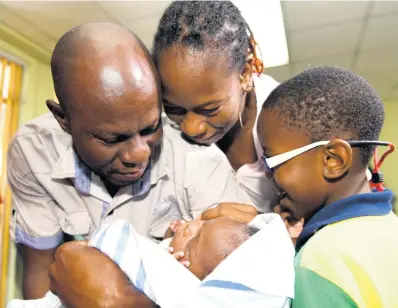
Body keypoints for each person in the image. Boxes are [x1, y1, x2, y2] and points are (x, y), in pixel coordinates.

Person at [7, 22, 252, 300]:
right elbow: (39, 268)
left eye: (150, 128)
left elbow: (239, 297)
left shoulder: (202, 165)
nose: (139, 154)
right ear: (64, 120)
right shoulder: (33, 151)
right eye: (113, 139)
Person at [257, 65, 398, 307]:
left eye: (271, 161)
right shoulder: (390, 225)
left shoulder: (318, 260)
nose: (267, 175)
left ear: (334, 160)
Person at [152, 1, 280, 212]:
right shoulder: (161, 135)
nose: (191, 128)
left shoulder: (290, 122)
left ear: (245, 74)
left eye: (209, 110)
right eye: (174, 109)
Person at [9, 215, 294, 308]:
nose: (188, 226)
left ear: (186, 267)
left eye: (193, 242)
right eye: (201, 224)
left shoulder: (175, 280)